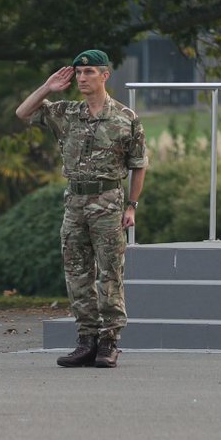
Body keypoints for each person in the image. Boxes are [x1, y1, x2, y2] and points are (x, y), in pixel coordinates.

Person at [15, 49, 147, 368]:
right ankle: (86, 339)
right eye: (78, 73)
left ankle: (109, 341)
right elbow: (22, 113)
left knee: (110, 273)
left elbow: (138, 164)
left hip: (108, 202)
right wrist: (48, 87)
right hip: (74, 203)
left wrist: (132, 205)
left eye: (89, 73)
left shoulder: (125, 117)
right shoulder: (67, 113)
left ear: (105, 76)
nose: (82, 78)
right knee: (77, 273)